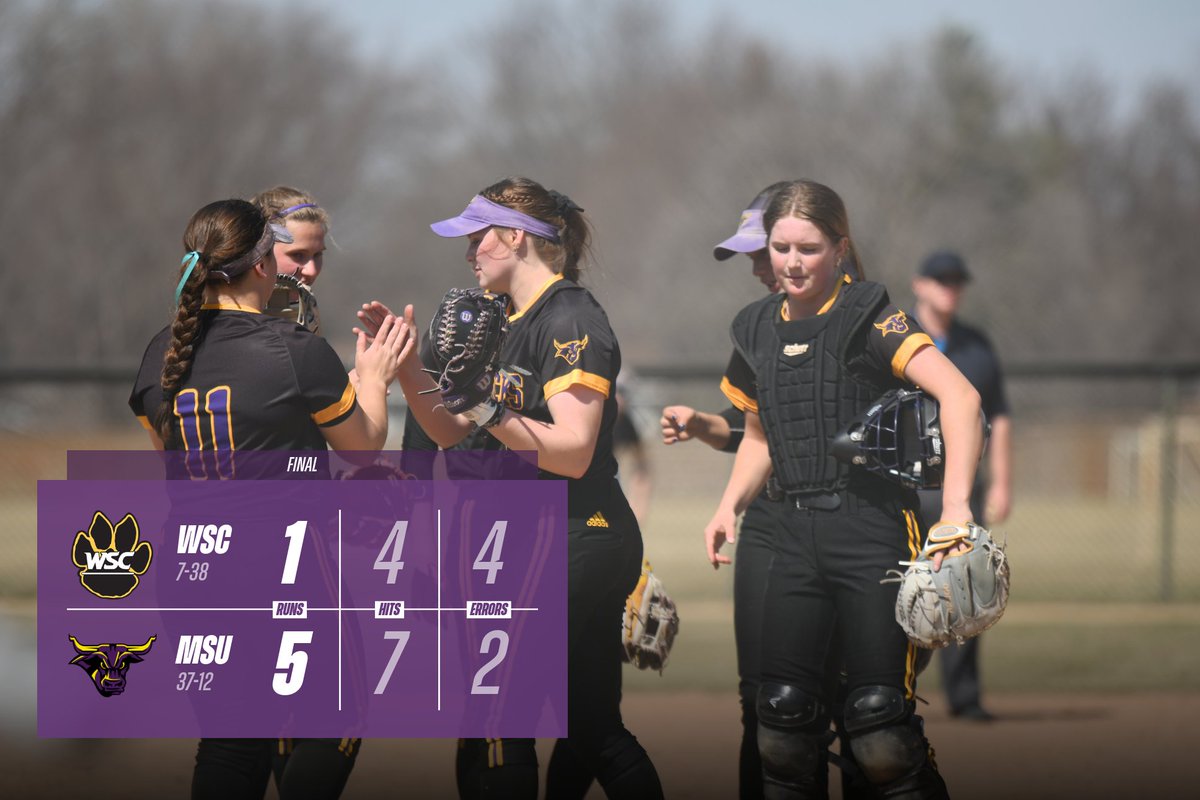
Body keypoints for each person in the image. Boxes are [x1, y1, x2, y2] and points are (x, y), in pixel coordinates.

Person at [361, 177, 663, 799]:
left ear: (517, 237)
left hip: (569, 530)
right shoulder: (503, 319)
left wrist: (486, 407)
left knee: (499, 718)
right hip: (543, 534)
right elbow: (446, 432)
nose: (469, 253)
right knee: (590, 729)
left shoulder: (570, 316)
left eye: (479, 239)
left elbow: (575, 452)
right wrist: (411, 364)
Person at [703, 179, 984, 799]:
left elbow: (962, 398)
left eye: (809, 247)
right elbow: (758, 437)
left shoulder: (871, 316)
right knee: (781, 722)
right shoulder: (752, 327)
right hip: (790, 541)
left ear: (839, 248)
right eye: (781, 248)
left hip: (872, 529)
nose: (793, 262)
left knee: (879, 727)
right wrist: (729, 504)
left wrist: (957, 513)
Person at [129, 198, 404, 799]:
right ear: (262, 265)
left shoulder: (159, 353)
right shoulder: (290, 348)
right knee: (341, 715)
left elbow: (173, 463)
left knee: (231, 742)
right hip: (275, 567)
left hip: (188, 568)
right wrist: (376, 379)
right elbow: (363, 446)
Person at [911, 250, 1012, 722]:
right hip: (906, 486)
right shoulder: (896, 336)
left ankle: (965, 696)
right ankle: (890, 690)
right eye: (941, 280)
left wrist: (1002, 482)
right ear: (920, 284)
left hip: (964, 486)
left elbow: (999, 417)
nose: (950, 288)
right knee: (897, 586)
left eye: (956, 282)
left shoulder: (977, 345)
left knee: (967, 588)